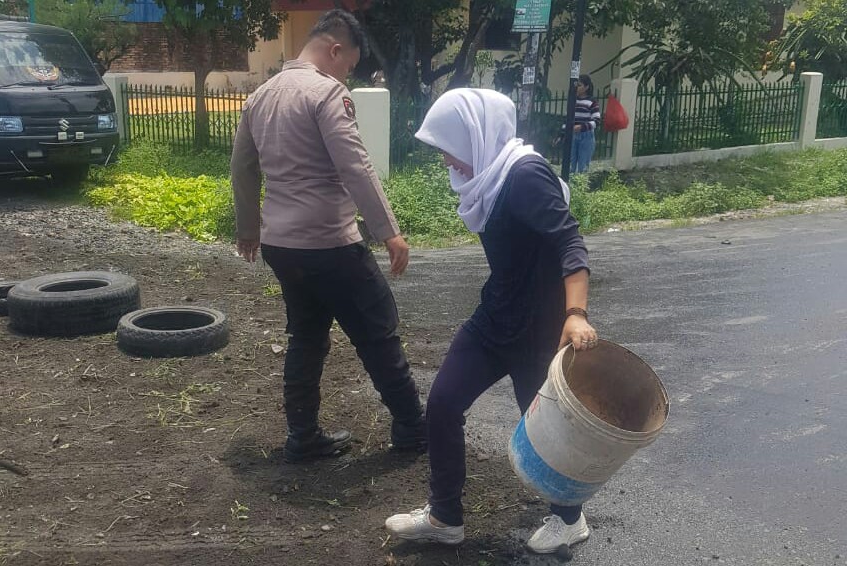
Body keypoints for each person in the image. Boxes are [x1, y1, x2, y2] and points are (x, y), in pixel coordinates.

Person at [384, 89, 599, 554]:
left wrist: (576, 315)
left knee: (545, 433)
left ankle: (570, 520)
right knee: (443, 403)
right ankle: (444, 518)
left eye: (447, 146)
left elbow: (570, 243)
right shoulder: (487, 179)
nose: (446, 159)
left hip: (539, 330)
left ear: (474, 135)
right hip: (495, 317)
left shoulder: (524, 176)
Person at [230, 10, 426, 463]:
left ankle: (302, 436)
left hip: (281, 244)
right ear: (335, 50)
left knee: (306, 335)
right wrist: (389, 232)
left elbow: (242, 167)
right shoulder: (326, 93)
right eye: (349, 66)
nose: (347, 76)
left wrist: (248, 229)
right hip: (328, 242)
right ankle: (413, 428)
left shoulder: (260, 96)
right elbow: (354, 165)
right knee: (377, 329)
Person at [568, 74, 601, 173]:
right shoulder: (573, 100)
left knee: (582, 166)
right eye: (576, 85)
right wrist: (561, 134)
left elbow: (597, 121)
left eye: (579, 85)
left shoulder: (592, 102)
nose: (577, 88)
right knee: (571, 165)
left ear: (586, 87)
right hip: (573, 134)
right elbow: (568, 118)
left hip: (586, 136)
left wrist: (582, 127)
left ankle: (581, 182)